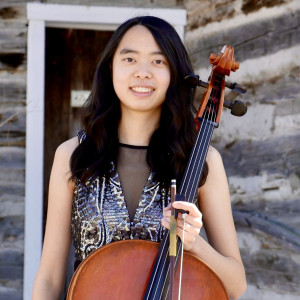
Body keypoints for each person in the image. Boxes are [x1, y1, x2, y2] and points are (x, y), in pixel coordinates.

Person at [32, 16, 247, 300]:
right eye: (130, 59)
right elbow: (48, 279)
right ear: (111, 67)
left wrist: (195, 245)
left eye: (158, 61)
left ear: (175, 73)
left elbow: (236, 284)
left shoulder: (203, 159)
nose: (143, 72)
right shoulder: (72, 155)